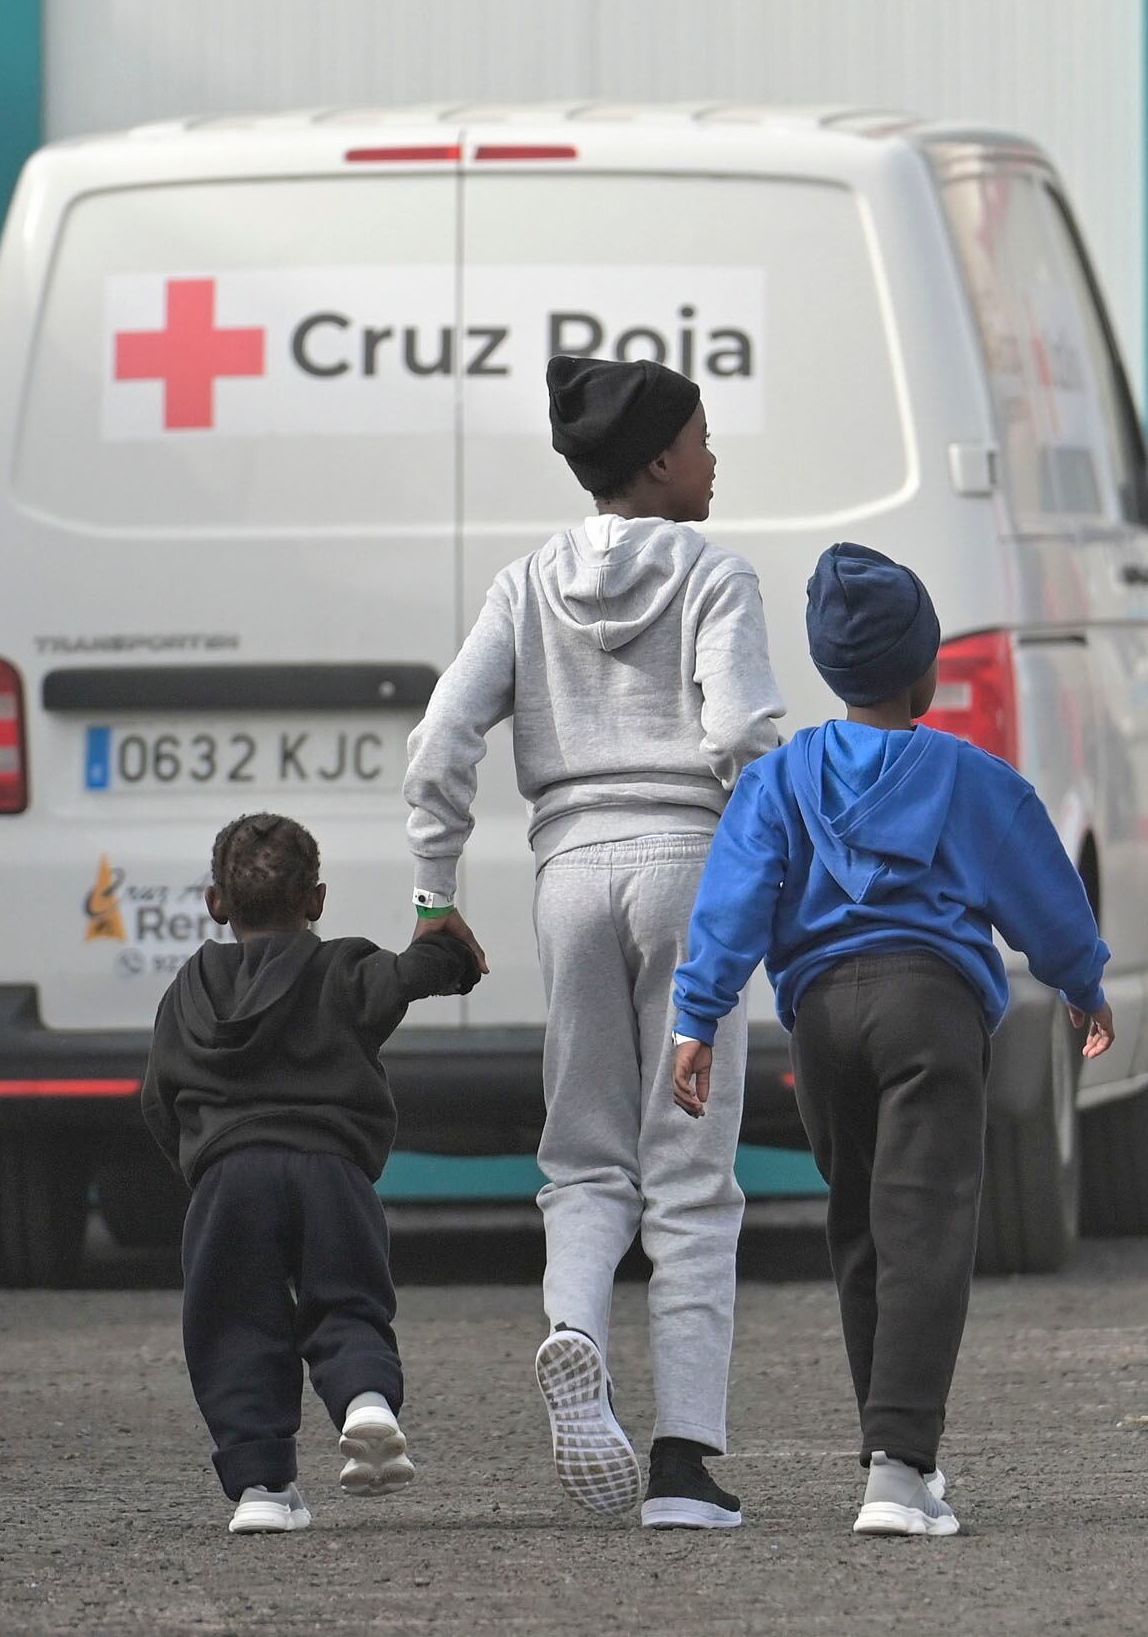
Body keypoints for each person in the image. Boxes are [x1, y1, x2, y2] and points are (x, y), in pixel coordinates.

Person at [403, 356, 784, 1530]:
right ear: (663, 459)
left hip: (567, 874)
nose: (716, 460)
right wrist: (779, 870)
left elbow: (443, 735)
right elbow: (742, 733)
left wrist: (432, 889)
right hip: (688, 870)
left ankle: (575, 1324)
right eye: (706, 439)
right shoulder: (718, 575)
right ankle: (682, 1465)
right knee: (692, 1173)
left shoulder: (524, 584)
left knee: (582, 1152)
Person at [669, 542, 1114, 1538]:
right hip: (931, 1013)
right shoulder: (969, 776)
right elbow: (1044, 894)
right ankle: (899, 1468)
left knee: (864, 1228)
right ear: (927, 668)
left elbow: (733, 903)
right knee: (927, 1231)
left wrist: (698, 1015)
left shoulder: (779, 781)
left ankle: (894, 1455)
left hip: (822, 1022)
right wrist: (1082, 979)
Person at [140, 812, 479, 1535]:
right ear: (316, 901)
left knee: (233, 1321)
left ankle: (263, 1491)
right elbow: (413, 973)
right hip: (332, 1173)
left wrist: (201, 1168)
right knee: (348, 1301)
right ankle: (365, 1403)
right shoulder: (343, 969)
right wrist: (452, 949)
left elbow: (158, 1100)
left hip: (229, 1176)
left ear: (217, 903)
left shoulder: (189, 991)